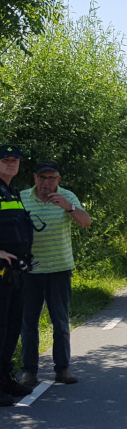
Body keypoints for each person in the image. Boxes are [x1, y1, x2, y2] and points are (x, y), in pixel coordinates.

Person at [18, 161, 91, 387]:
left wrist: (68, 207)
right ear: (34, 178)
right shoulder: (22, 197)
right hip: (29, 271)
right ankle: (29, 371)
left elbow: (86, 222)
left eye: (51, 178)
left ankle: (63, 369)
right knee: (28, 323)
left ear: (58, 180)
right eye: (42, 178)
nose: (46, 183)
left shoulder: (67, 197)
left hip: (59, 269)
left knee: (60, 322)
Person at [0, 144, 35, 406]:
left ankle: (4, 379)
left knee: (12, 328)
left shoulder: (12, 192)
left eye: (15, 160)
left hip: (15, 273)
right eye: (5, 159)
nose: (11, 163)